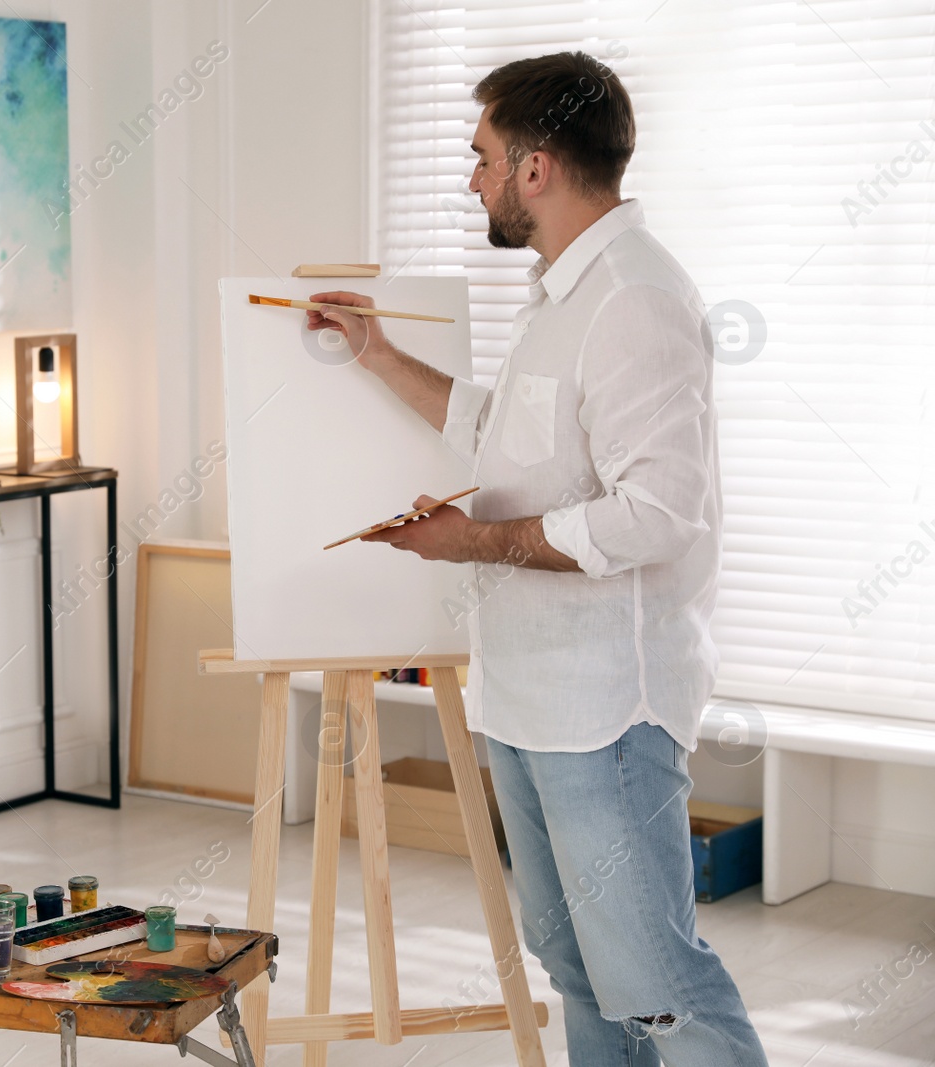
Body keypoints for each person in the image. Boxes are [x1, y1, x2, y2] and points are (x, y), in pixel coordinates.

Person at [308, 51, 768, 1065]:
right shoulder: (561, 295)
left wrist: (465, 542)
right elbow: (502, 440)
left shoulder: (633, 300)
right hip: (526, 697)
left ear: (536, 167)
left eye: (480, 157)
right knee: (574, 964)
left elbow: (655, 513)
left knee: (655, 984)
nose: (470, 178)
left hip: (603, 710)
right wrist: (379, 354)